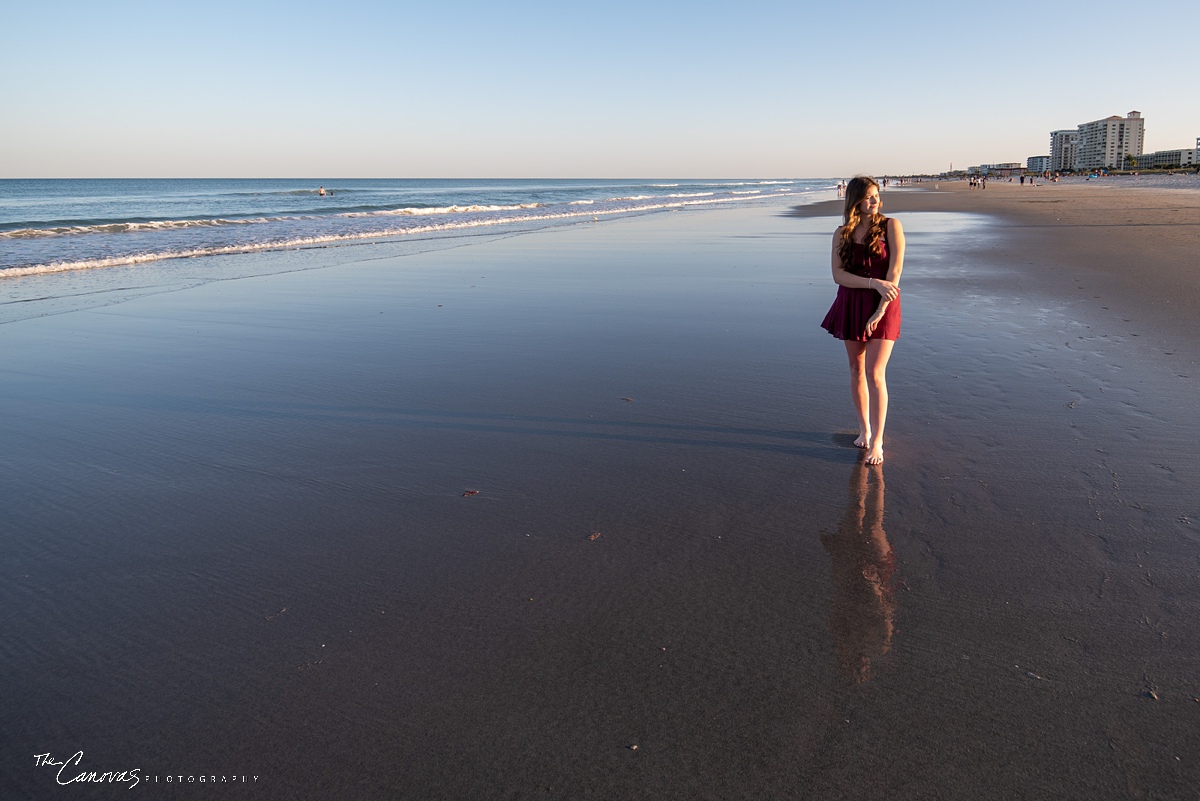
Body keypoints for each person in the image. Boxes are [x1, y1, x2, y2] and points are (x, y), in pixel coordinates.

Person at [819, 175, 904, 465]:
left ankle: (877, 441)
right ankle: (864, 430)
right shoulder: (841, 233)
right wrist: (872, 284)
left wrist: (880, 308)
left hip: (885, 304)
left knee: (876, 373)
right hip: (853, 301)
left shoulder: (892, 226)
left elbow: (894, 274)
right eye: (868, 196)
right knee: (856, 370)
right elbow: (837, 275)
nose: (874, 201)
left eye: (876, 195)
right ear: (855, 199)